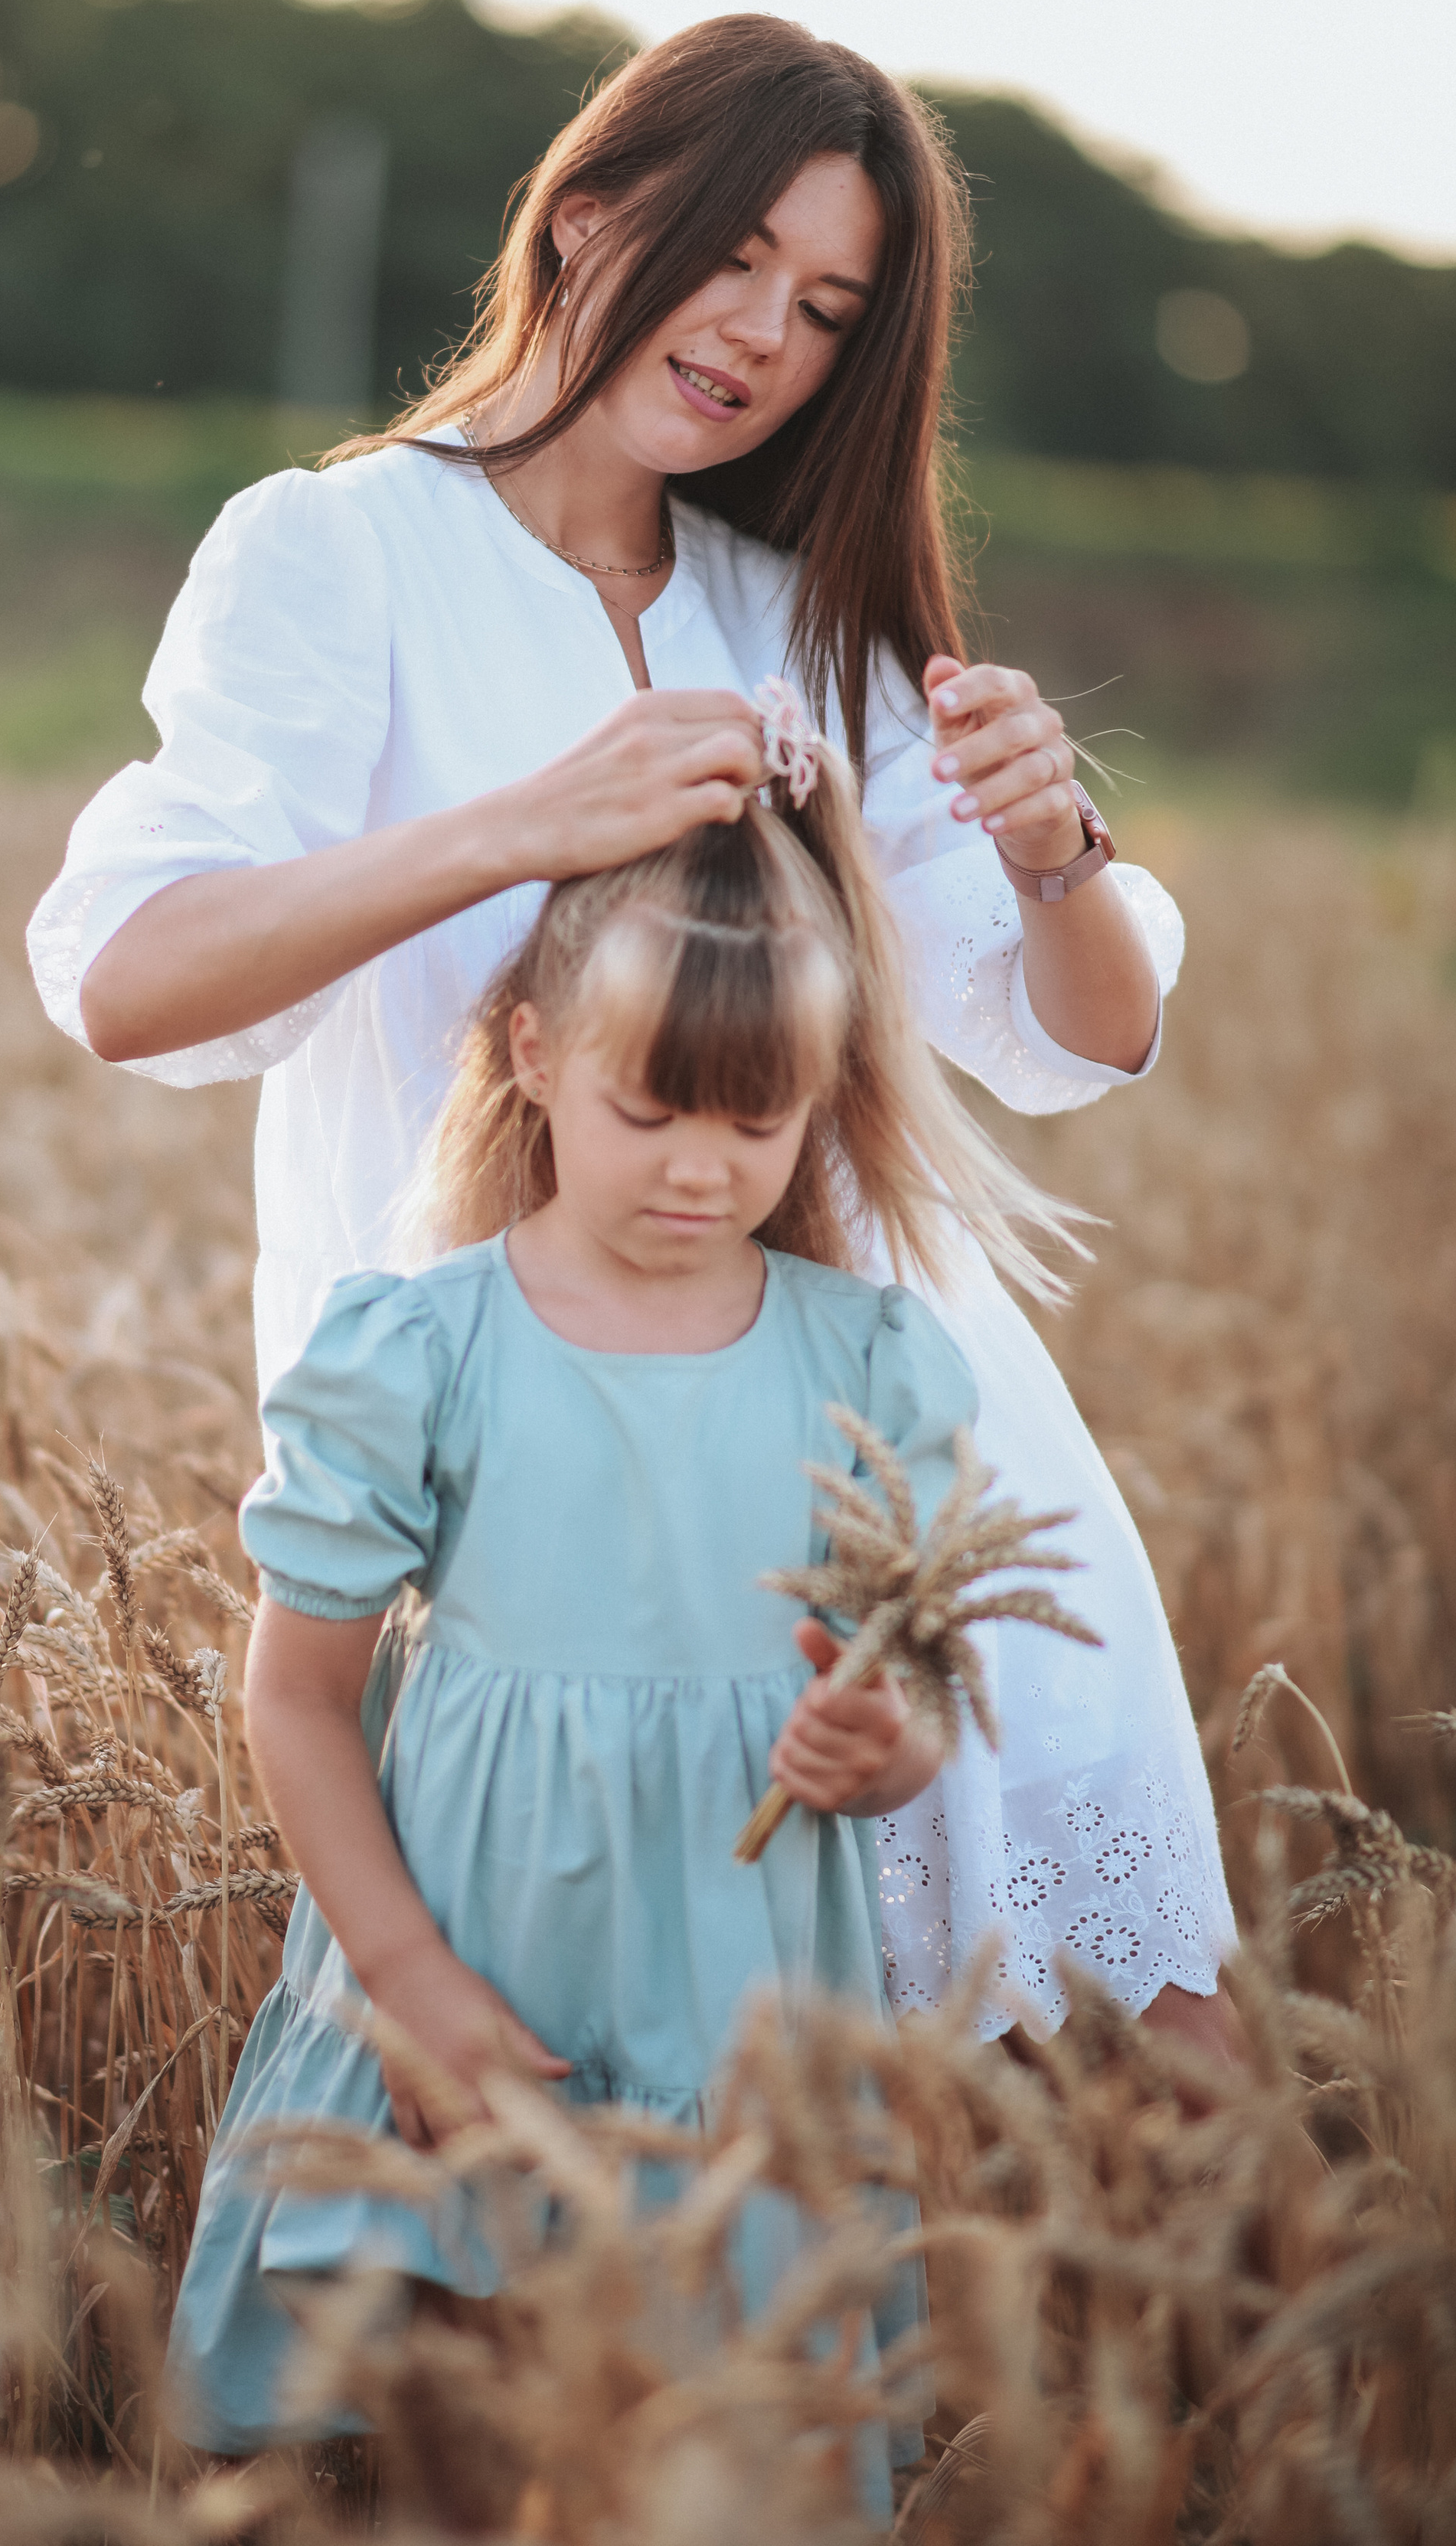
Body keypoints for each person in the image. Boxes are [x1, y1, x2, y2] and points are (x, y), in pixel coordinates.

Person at [28, 12, 1235, 2050]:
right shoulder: (341, 552)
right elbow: (131, 973)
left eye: (829, 306)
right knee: (622, 2167)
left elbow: (1075, 1043)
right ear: (587, 217)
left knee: (1143, 2088)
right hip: (533, 1476)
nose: (766, 329)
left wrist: (1052, 860)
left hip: (892, 1461)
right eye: (736, 254)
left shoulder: (799, 609)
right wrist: (520, 826)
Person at [163, 710, 1048, 2495]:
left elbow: (910, 1704)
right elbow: (297, 1700)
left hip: (738, 2026)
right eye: (647, 1108)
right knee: (464, 2454)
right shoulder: (420, 1348)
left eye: (757, 1118)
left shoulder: (866, 1361)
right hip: (470, 1983)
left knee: (704, 2468)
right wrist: (407, 1985)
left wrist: (884, 1743)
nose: (701, 1171)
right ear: (531, 1052)